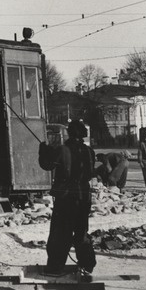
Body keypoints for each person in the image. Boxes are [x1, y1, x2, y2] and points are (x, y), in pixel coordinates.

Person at [38, 120, 97, 280]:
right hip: (83, 197)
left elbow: (47, 164)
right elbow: (90, 172)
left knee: (60, 233)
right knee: (81, 232)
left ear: (69, 133)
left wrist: (43, 149)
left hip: (66, 198)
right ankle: (87, 265)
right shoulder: (89, 151)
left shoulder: (62, 150)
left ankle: (55, 267)